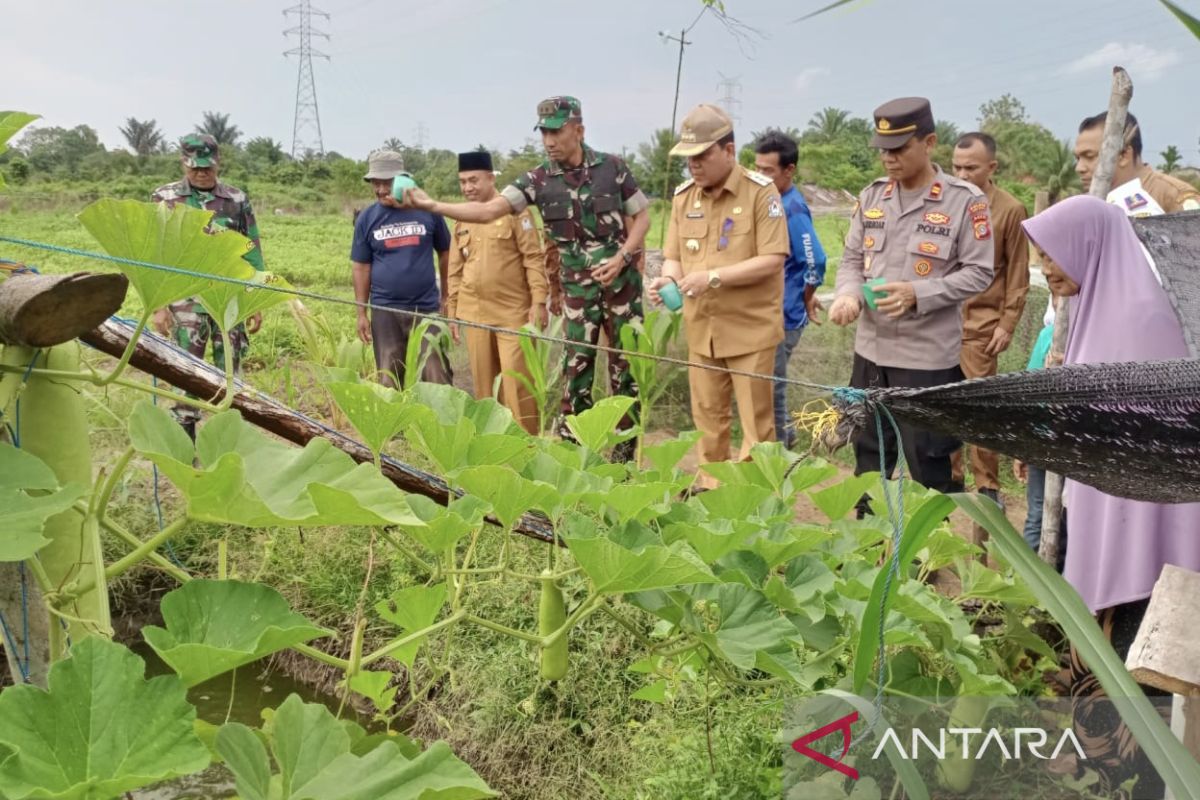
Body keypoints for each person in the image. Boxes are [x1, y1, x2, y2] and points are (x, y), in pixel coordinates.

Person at [1022, 194, 1200, 798]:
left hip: (1143, 516)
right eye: (1040, 255)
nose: (1045, 267)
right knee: (1112, 633)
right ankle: (1116, 765)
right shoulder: (1098, 308)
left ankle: (1142, 771)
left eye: (1050, 254)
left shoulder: (1138, 317)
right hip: (1109, 509)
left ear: (1088, 247)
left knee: (1137, 634)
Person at [402, 96, 650, 460]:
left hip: (622, 289)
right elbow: (487, 210)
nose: (549, 141)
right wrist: (433, 206)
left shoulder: (613, 168)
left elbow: (642, 217)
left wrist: (624, 255)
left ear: (578, 130)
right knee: (576, 374)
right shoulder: (536, 180)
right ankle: (573, 459)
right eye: (544, 133)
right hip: (578, 295)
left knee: (626, 374)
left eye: (556, 131)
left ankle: (626, 462)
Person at [828, 97, 993, 510]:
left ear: (929, 142)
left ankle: (921, 565)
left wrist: (916, 294)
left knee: (927, 465)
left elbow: (979, 272)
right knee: (868, 458)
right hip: (870, 354)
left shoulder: (964, 201)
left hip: (927, 360)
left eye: (899, 149)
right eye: (883, 149)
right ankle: (868, 550)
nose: (889, 159)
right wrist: (848, 295)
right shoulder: (871, 198)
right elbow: (851, 260)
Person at [648, 104, 789, 490]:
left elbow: (773, 259)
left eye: (702, 155)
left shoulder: (762, 193)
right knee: (708, 422)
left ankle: (754, 501)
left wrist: (712, 277)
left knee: (757, 427)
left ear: (729, 150)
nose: (694, 165)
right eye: (688, 157)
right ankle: (712, 496)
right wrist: (667, 280)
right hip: (702, 329)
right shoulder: (683, 198)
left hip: (750, 330)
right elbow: (674, 256)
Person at [151, 133, 265, 439]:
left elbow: (251, 249)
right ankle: (186, 449)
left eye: (207, 167)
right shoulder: (165, 198)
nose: (201, 172)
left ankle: (232, 444)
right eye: (194, 167)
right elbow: (153, 252)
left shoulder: (236, 200)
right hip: (185, 301)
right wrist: (158, 306)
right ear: (183, 162)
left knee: (232, 373)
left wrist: (255, 298)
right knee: (186, 373)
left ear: (218, 163)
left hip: (229, 298)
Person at [950, 132, 1030, 504]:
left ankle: (988, 496)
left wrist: (1007, 322)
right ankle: (946, 492)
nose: (963, 174)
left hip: (981, 329)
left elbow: (1017, 274)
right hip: (939, 327)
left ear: (992, 168)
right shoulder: (943, 202)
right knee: (942, 415)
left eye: (971, 167)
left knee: (979, 415)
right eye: (957, 167)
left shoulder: (1010, 209)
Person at [446, 150, 551, 434]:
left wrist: (539, 301)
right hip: (474, 312)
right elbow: (455, 268)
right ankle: (491, 447)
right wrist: (452, 311)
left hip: (513, 314)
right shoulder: (463, 218)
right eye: (463, 182)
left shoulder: (516, 213)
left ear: (491, 178)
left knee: (517, 386)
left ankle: (526, 447)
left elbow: (533, 259)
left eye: (474, 180)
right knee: (484, 387)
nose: (468, 188)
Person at [351, 149, 453, 389]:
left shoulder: (427, 211)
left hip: (427, 308)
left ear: (402, 180)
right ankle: (395, 428)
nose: (380, 189)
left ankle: (439, 427)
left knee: (436, 374)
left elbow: (446, 253)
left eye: (386, 182)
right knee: (389, 378)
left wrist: (447, 296)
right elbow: (361, 267)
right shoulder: (367, 218)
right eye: (375, 183)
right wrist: (361, 312)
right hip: (384, 308)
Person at [753, 130, 827, 449]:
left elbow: (816, 260)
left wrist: (807, 296)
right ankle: (784, 438)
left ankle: (780, 452)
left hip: (783, 315)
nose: (760, 176)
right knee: (764, 385)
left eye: (768, 171)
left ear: (789, 170)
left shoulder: (791, 208)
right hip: (766, 310)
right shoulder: (769, 201)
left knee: (772, 389)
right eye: (757, 168)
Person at [1074, 111, 1200, 212]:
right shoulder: (1089, 204)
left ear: (1124, 155)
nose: (1079, 168)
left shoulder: (1172, 195)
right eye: (1078, 159)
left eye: (1089, 156)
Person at [1012, 297, 1056, 551]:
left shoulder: (1097, 341)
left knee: (1068, 517)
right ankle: (1026, 582)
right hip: (1042, 440)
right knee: (1038, 512)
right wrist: (1024, 446)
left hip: (1076, 447)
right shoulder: (1048, 335)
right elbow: (1031, 393)